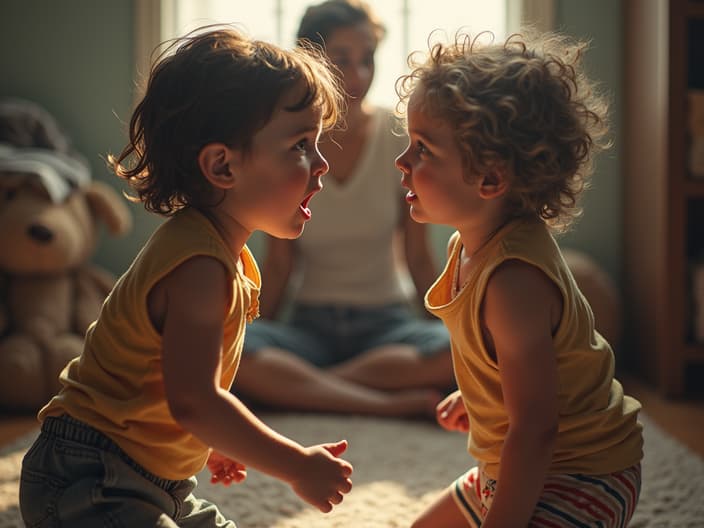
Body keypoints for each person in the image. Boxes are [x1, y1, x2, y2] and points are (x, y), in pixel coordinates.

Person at [19, 27, 353, 526]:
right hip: (89, 474)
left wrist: (211, 440)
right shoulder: (197, 264)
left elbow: (187, 388)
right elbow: (195, 401)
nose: (323, 164)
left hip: (154, 482)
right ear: (222, 165)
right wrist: (296, 465)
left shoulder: (224, 256)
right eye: (301, 145)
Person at [394, 29, 644, 527]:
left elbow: (535, 430)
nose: (402, 162)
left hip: (581, 475)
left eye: (423, 148)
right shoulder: (468, 244)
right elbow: (520, 367)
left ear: (489, 179)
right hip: (510, 464)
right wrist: (479, 395)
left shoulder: (513, 280)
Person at [235, 0, 453, 418]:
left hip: (387, 327)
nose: (359, 77)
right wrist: (255, 333)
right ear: (312, 65)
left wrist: (451, 328)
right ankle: (382, 403)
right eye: (342, 61)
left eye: (367, 60)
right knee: (230, 350)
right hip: (308, 327)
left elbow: (418, 257)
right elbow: (277, 267)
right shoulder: (288, 146)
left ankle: (310, 388)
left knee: (463, 351)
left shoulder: (397, 137)